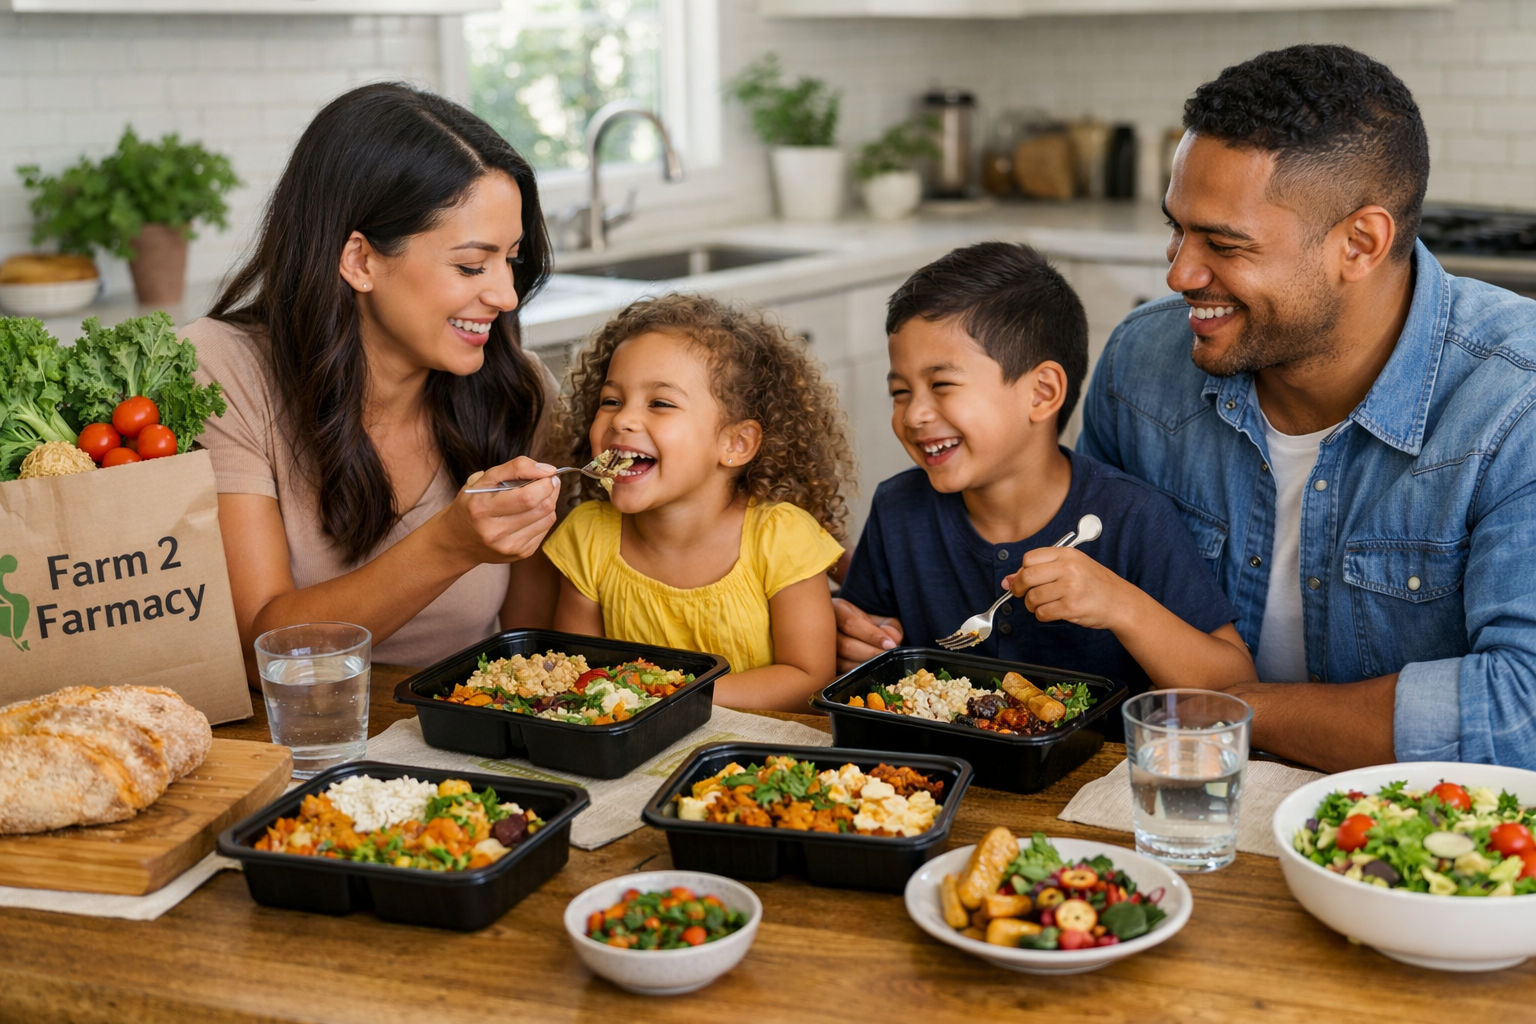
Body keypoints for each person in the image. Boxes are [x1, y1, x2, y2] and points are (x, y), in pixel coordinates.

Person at [1079, 44, 1536, 772]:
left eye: (1224, 244)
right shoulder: (1141, 364)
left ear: (1360, 243)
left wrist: (1228, 709)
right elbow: (1080, 602)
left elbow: (1521, 714)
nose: (1179, 273)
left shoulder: (1516, 406)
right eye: (1177, 227)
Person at [188, 83, 565, 684]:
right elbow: (262, 650)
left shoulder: (518, 390)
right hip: (291, 743)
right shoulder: (220, 371)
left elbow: (525, 660)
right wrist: (451, 544)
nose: (505, 295)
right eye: (471, 265)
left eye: (511, 260)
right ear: (360, 260)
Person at [833, 242, 1253, 705]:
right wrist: (856, 641)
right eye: (900, 391)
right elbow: (861, 639)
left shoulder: (1132, 518)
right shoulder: (898, 511)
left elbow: (1235, 686)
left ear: (1042, 393)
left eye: (941, 385)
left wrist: (1121, 606)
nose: (914, 415)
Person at [545, 294, 853, 711]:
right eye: (611, 400)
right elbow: (577, 671)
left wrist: (677, 702)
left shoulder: (783, 538)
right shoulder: (587, 537)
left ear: (735, 443)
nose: (621, 419)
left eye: (660, 403)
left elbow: (808, 679)